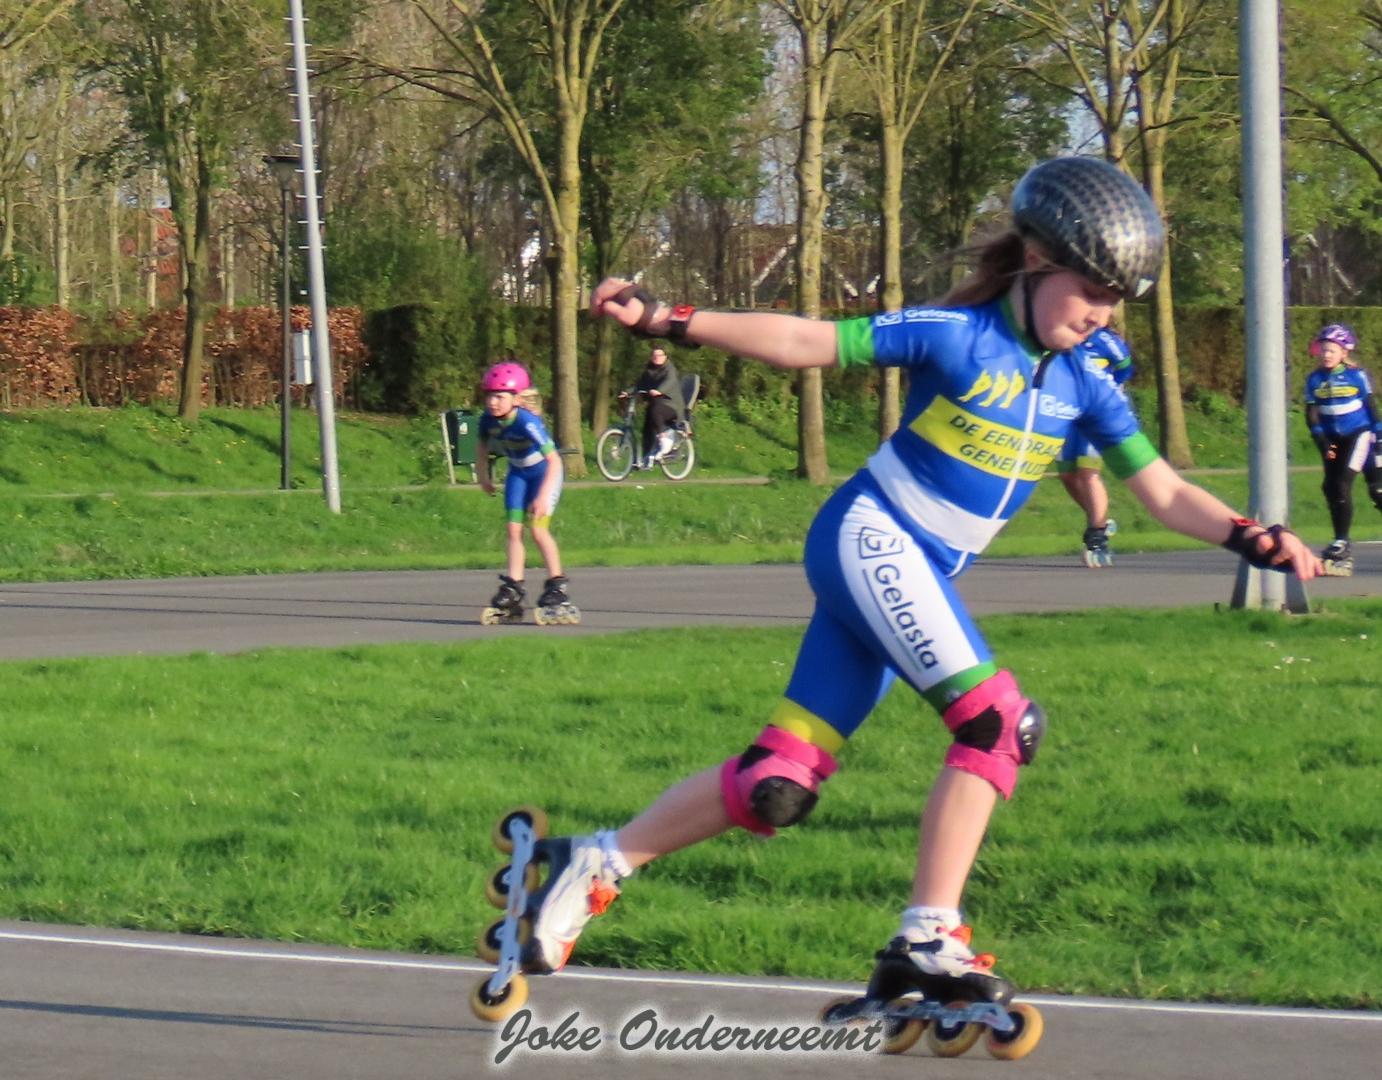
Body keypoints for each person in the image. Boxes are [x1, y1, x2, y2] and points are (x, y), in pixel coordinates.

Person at [517, 158, 1320, 1004]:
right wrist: (669, 320)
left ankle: (595, 860)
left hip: (911, 570)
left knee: (776, 786)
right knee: (997, 723)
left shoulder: (1087, 381)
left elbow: (1162, 492)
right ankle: (929, 935)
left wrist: (1250, 536)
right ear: (1037, 260)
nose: (1102, 314)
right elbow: (807, 343)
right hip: (872, 538)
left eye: (1117, 301)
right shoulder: (957, 333)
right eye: (1092, 291)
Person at [475, 361, 573, 618]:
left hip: (544, 474)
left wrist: (543, 496)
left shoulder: (527, 422)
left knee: (538, 530)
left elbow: (554, 461)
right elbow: (481, 447)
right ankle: (514, 585)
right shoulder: (487, 420)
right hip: (518, 473)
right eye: (489, 396)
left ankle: (557, 585)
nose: (492, 402)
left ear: (516, 399)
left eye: (499, 397)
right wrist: (482, 476)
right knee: (513, 529)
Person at [1303, 323, 1382, 574]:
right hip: (1333, 441)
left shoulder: (1356, 375)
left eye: (1332, 350)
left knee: (1367, 488)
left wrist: (1379, 434)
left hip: (1359, 435)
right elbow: (1311, 412)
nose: (1326, 355)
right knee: (1330, 486)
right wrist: (1320, 438)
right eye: (1323, 350)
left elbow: (1371, 406)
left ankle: (1342, 541)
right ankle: (1341, 541)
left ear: (1344, 353)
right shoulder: (1314, 379)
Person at [1056, 328, 1135, 566]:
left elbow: (1125, 368)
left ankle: (1097, 537)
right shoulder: (1059, 335)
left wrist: (1107, 394)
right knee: (1068, 476)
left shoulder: (1104, 339)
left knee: (1088, 473)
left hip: (1096, 415)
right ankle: (1099, 519)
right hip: (1066, 413)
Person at [621, 346, 686, 463]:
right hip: (657, 404)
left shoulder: (670, 369)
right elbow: (640, 384)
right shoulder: (649, 371)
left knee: (655, 410)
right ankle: (646, 459)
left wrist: (659, 390)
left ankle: (664, 440)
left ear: (665, 357)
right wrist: (628, 392)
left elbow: (670, 381)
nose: (657, 358)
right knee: (647, 427)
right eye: (654, 355)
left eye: (660, 355)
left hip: (672, 406)